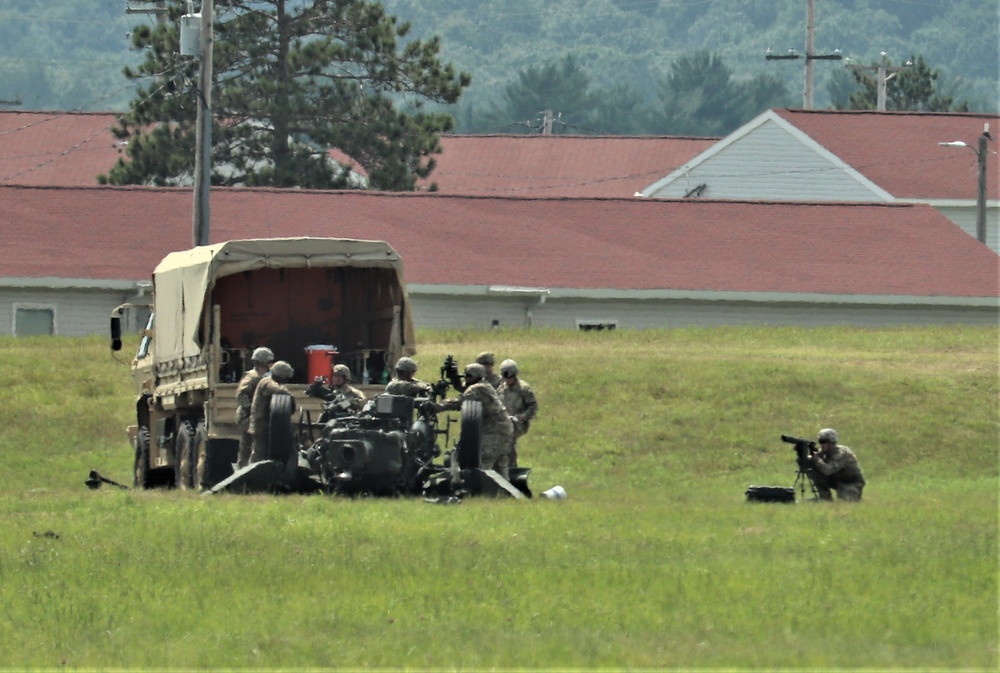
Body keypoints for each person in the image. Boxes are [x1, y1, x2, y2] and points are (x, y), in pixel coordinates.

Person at [435, 363, 514, 480]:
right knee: (500, 464)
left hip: (494, 431)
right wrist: (454, 378)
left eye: (467, 376)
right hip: (504, 429)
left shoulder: (476, 388)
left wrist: (437, 406)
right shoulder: (484, 385)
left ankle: (480, 489)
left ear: (473, 377)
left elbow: (460, 401)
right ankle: (506, 492)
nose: (465, 379)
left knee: (483, 461)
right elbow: (464, 389)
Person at [248, 360, 296, 463]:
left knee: (265, 453)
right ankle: (253, 476)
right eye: (285, 377)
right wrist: (290, 396)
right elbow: (279, 390)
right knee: (259, 454)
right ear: (280, 375)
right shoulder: (267, 382)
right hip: (261, 424)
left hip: (267, 424)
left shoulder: (273, 382)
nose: (286, 380)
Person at [234, 346, 274, 469]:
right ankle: (248, 473)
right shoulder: (252, 376)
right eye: (269, 361)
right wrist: (252, 409)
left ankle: (245, 472)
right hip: (248, 418)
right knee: (252, 448)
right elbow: (241, 395)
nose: (271, 364)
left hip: (255, 418)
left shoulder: (263, 377)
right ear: (263, 362)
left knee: (250, 448)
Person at [497, 358, 538, 468]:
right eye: (505, 377)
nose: (507, 380)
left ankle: (511, 467)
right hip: (503, 421)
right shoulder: (501, 388)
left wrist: (523, 416)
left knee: (508, 440)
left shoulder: (524, 388)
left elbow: (533, 406)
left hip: (518, 423)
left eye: (510, 377)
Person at [807, 428, 866, 501]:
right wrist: (803, 457)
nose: (822, 445)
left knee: (846, 502)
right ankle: (825, 497)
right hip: (836, 480)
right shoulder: (824, 452)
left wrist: (816, 459)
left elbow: (828, 470)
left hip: (851, 482)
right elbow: (811, 463)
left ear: (831, 442)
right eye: (820, 442)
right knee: (813, 470)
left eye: (824, 442)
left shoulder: (842, 453)